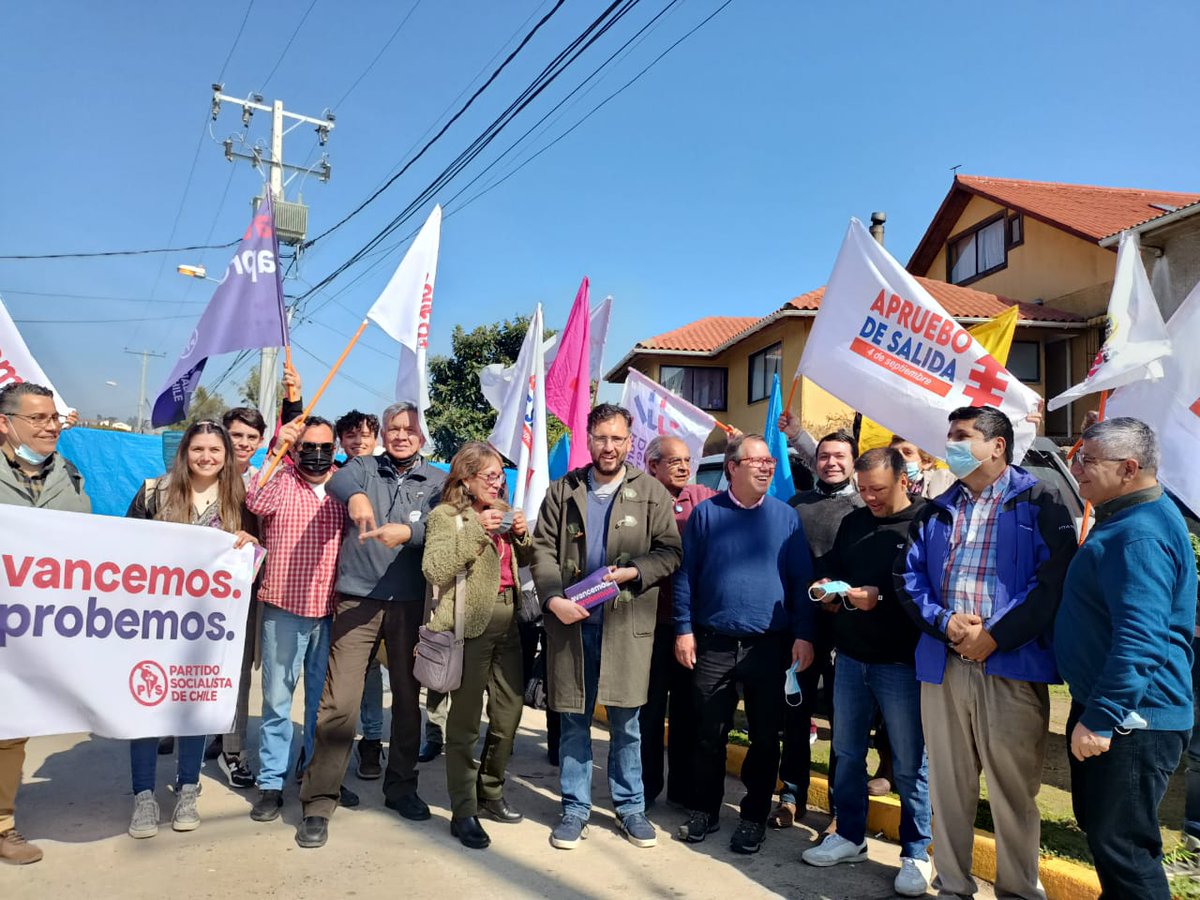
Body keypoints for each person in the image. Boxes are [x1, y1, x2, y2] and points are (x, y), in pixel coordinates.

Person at [895, 405, 1076, 900]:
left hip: (1011, 667)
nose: (950, 445)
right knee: (948, 789)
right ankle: (953, 886)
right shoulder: (937, 506)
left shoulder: (1040, 499)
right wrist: (945, 622)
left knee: (1012, 793)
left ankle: (1018, 891)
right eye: (950, 436)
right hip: (944, 665)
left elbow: (1052, 580)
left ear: (997, 445)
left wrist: (995, 634)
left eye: (962, 436)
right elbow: (908, 577)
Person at [531, 404, 682, 851]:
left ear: (630, 442)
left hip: (625, 627)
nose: (609, 447)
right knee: (573, 721)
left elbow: (671, 552)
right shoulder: (563, 490)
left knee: (627, 723)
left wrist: (635, 571)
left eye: (618, 438)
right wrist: (553, 599)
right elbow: (542, 551)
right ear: (589, 439)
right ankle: (574, 808)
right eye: (601, 438)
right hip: (571, 627)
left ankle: (631, 807)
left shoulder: (651, 492)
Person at [1056, 418, 1196, 898]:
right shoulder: (1129, 516)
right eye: (1077, 457)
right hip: (1119, 710)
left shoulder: (1139, 535)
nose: (1076, 469)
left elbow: (1142, 637)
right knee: (1112, 844)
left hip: (1132, 719)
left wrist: (1101, 717)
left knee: (1126, 852)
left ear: (1129, 468)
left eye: (1087, 460)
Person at [296, 401, 445, 849]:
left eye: (409, 429)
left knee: (406, 702)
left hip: (410, 605)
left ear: (421, 436)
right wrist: (356, 496)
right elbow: (337, 480)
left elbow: (444, 529)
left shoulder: (437, 480)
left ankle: (401, 788)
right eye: (393, 428)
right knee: (339, 703)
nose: (401, 436)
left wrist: (410, 534)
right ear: (383, 434)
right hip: (357, 601)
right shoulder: (362, 468)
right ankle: (319, 800)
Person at [674, 433, 814, 855]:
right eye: (757, 461)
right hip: (713, 643)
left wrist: (804, 635)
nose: (766, 467)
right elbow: (686, 575)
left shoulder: (786, 517)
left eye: (770, 461)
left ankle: (753, 816)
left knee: (766, 738)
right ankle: (705, 809)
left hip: (768, 646)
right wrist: (683, 629)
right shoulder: (707, 514)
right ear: (732, 468)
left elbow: (800, 581)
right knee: (708, 734)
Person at [800, 448, 932, 897]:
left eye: (878, 489)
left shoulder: (926, 522)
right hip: (852, 658)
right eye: (863, 489)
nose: (870, 497)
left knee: (910, 763)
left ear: (903, 480)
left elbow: (931, 589)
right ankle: (850, 835)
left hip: (902, 664)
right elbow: (834, 567)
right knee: (847, 754)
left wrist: (883, 598)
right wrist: (826, 587)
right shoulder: (854, 521)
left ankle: (916, 852)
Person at [125, 420, 258, 839]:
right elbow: (124, 548)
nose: (206, 457)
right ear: (184, 452)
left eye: (215, 450)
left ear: (227, 456)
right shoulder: (154, 492)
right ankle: (144, 796)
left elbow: (256, 559)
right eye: (198, 449)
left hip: (208, 624)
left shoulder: (240, 498)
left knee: (195, 703)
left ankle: (187, 789)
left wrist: (250, 545)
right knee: (145, 705)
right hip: (153, 620)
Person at [422, 442, 533, 849]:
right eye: (489, 475)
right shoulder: (446, 517)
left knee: (508, 714)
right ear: (465, 479)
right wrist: (477, 529)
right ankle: (464, 809)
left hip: (509, 623)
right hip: (469, 628)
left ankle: (490, 789)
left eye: (500, 475)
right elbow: (435, 569)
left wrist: (521, 535)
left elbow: (525, 560)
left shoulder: (502, 510)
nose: (497, 482)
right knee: (465, 723)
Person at [0, 382, 91, 865]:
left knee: (10, 726)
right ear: (5, 423)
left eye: (53, 417)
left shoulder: (69, 475)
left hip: (31, 629)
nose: (51, 426)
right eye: (37, 418)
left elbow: (86, 546)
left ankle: (2, 823)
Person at [245, 416, 348, 823]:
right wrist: (276, 451)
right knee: (276, 701)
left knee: (323, 704)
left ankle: (315, 774)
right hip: (284, 608)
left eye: (325, 447)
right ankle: (271, 782)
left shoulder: (344, 486)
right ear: (296, 448)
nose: (317, 454)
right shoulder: (281, 479)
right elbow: (256, 502)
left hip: (331, 610)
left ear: (334, 448)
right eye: (309, 446)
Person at [773, 425, 861, 829]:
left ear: (853, 462)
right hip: (801, 629)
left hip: (850, 630)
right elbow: (786, 567)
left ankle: (842, 808)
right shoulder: (797, 506)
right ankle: (792, 795)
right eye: (824, 456)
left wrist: (841, 595)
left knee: (846, 724)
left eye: (840, 456)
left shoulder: (864, 507)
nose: (831, 463)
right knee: (795, 716)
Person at [639, 435, 716, 808]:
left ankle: (683, 790)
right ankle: (645, 788)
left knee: (688, 711)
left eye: (688, 460)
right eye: (675, 461)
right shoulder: (638, 499)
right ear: (653, 465)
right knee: (649, 712)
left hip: (690, 625)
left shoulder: (701, 497)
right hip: (649, 624)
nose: (685, 467)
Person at [194, 406, 268, 788]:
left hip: (240, 595)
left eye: (251, 437)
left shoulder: (262, 482)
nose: (243, 443)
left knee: (235, 672)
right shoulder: (195, 479)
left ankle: (232, 749)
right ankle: (188, 730)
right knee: (191, 664)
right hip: (189, 596)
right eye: (236, 435)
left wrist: (254, 542)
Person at [332, 409, 390, 782]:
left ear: (376, 438)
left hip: (376, 591)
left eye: (365, 435)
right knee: (333, 677)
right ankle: (327, 747)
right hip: (332, 588)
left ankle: (372, 740)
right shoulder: (334, 474)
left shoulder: (386, 474)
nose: (358, 441)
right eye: (350, 436)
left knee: (371, 673)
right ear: (341, 441)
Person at [889, 435, 955, 500]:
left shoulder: (946, 480)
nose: (898, 456)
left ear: (926, 462)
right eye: (893, 453)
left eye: (908, 453)